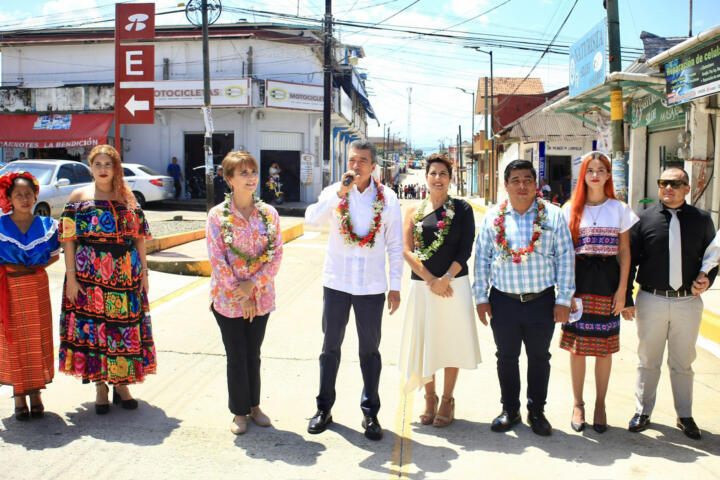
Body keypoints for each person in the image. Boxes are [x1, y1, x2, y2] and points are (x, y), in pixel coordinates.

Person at [304, 139, 403, 441]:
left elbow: (395, 245)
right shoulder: (334, 193)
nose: (355, 165)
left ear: (373, 167)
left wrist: (395, 287)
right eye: (351, 160)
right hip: (337, 282)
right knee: (329, 348)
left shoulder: (388, 199)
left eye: (362, 160)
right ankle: (324, 409)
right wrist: (339, 194)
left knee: (369, 351)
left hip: (371, 287)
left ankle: (370, 413)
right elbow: (311, 221)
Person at [473, 159, 575, 436]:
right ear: (505, 185)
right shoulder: (493, 218)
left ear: (535, 184)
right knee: (506, 357)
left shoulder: (552, 216)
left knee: (539, 358)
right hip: (502, 302)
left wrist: (563, 300)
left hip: (541, 301)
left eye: (527, 180)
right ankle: (510, 410)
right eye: (515, 180)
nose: (521, 185)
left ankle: (537, 411)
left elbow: (566, 258)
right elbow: (482, 258)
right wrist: (481, 298)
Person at [58, 144, 156, 414]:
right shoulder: (78, 196)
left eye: (108, 164)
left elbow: (139, 237)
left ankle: (121, 384)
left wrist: (144, 272)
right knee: (96, 330)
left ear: (116, 168)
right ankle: (101, 385)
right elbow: (68, 241)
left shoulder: (127, 198)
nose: (103, 170)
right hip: (89, 275)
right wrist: (72, 278)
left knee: (121, 329)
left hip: (125, 274)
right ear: (91, 167)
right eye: (98, 164)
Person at [623, 166, 716, 440]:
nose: (669, 188)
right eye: (664, 183)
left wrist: (708, 278)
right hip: (651, 299)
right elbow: (630, 263)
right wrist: (627, 297)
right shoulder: (643, 220)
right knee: (647, 360)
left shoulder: (702, 220)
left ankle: (684, 415)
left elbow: (712, 258)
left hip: (687, 302)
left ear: (688, 188)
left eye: (676, 184)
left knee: (683, 362)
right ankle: (643, 411)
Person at [398, 154, 481, 427]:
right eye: (433, 173)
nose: (437, 178)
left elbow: (465, 249)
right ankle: (430, 397)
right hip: (423, 287)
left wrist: (445, 278)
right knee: (426, 341)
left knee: (450, 341)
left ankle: (447, 399)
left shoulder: (463, 209)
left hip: (453, 286)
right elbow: (406, 250)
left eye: (443, 174)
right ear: (426, 177)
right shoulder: (414, 211)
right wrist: (431, 280)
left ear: (450, 178)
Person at [560, 152, 638, 433]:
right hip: (579, 283)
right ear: (583, 175)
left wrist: (622, 292)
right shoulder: (570, 208)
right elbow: (565, 253)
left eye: (600, 170)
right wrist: (566, 292)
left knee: (604, 349)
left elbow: (626, 253)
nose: (595, 174)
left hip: (607, 283)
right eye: (590, 170)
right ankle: (578, 404)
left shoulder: (619, 209)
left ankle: (600, 404)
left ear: (608, 175)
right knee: (577, 348)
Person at [206, 151, 283, 435]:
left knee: (254, 354)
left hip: (261, 298)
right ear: (229, 179)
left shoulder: (269, 214)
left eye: (253, 172)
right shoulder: (217, 216)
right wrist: (241, 293)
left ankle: (254, 406)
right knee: (236, 355)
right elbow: (217, 258)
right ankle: (239, 412)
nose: (251, 178)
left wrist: (254, 287)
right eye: (243, 173)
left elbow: (276, 256)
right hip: (228, 300)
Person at [0, 171, 59, 421]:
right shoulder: (0, 226)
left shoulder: (48, 226)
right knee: (13, 341)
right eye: (18, 195)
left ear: (36, 196)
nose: (24, 199)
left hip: (36, 286)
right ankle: (19, 396)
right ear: (8, 198)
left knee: (37, 339)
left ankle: (36, 394)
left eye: (28, 194)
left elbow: (54, 255)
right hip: (8, 288)